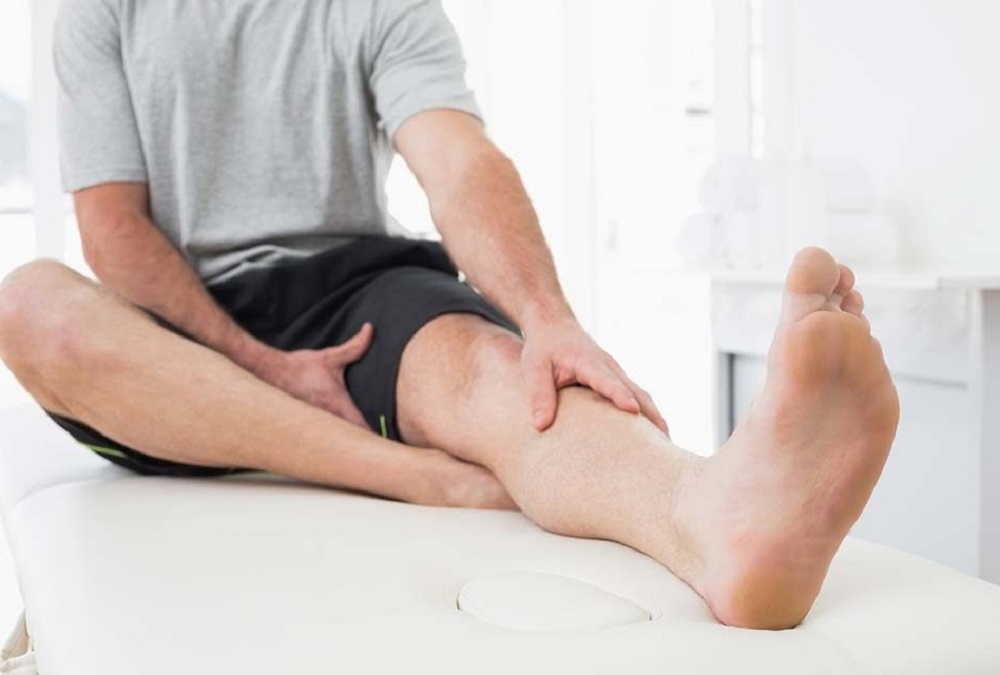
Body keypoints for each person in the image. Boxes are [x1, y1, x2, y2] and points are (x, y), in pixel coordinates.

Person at [0, 0, 899, 630]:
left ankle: (711, 514)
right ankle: (409, 473)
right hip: (182, 325)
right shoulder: (103, 10)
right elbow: (112, 227)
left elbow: (457, 159)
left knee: (496, 372)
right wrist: (260, 364)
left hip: (354, 293)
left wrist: (548, 320)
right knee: (29, 302)